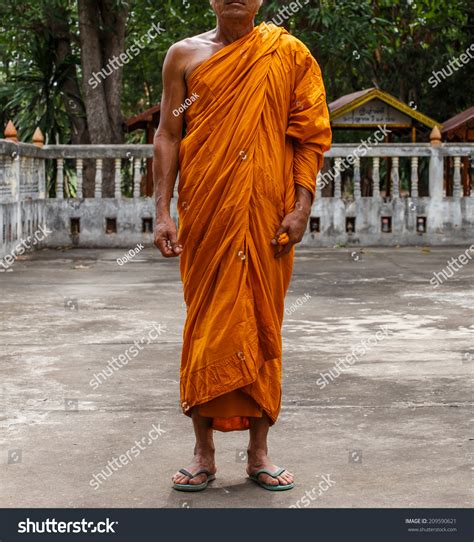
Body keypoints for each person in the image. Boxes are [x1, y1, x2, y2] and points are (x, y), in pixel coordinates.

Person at [153, 0, 331, 492]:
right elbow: (169, 133)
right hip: (207, 212)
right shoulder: (184, 56)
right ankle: (203, 450)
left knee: (261, 318)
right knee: (208, 321)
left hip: (267, 214)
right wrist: (163, 211)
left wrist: (301, 205)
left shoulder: (289, 54)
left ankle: (259, 452)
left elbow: (309, 137)